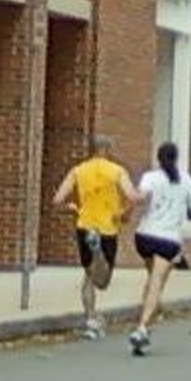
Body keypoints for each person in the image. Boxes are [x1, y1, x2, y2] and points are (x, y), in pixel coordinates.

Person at [52, 135, 140, 339]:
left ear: (91, 150)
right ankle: (97, 249)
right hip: (107, 227)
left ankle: (91, 321)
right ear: (107, 149)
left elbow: (57, 200)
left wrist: (72, 208)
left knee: (89, 277)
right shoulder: (117, 170)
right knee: (103, 281)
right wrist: (124, 213)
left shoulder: (78, 170)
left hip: (84, 225)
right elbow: (133, 197)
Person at [129, 142, 191, 355]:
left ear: (158, 158)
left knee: (152, 280)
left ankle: (147, 324)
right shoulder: (184, 179)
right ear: (176, 157)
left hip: (144, 235)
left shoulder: (150, 177)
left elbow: (141, 197)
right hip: (167, 240)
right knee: (156, 284)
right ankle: (142, 327)